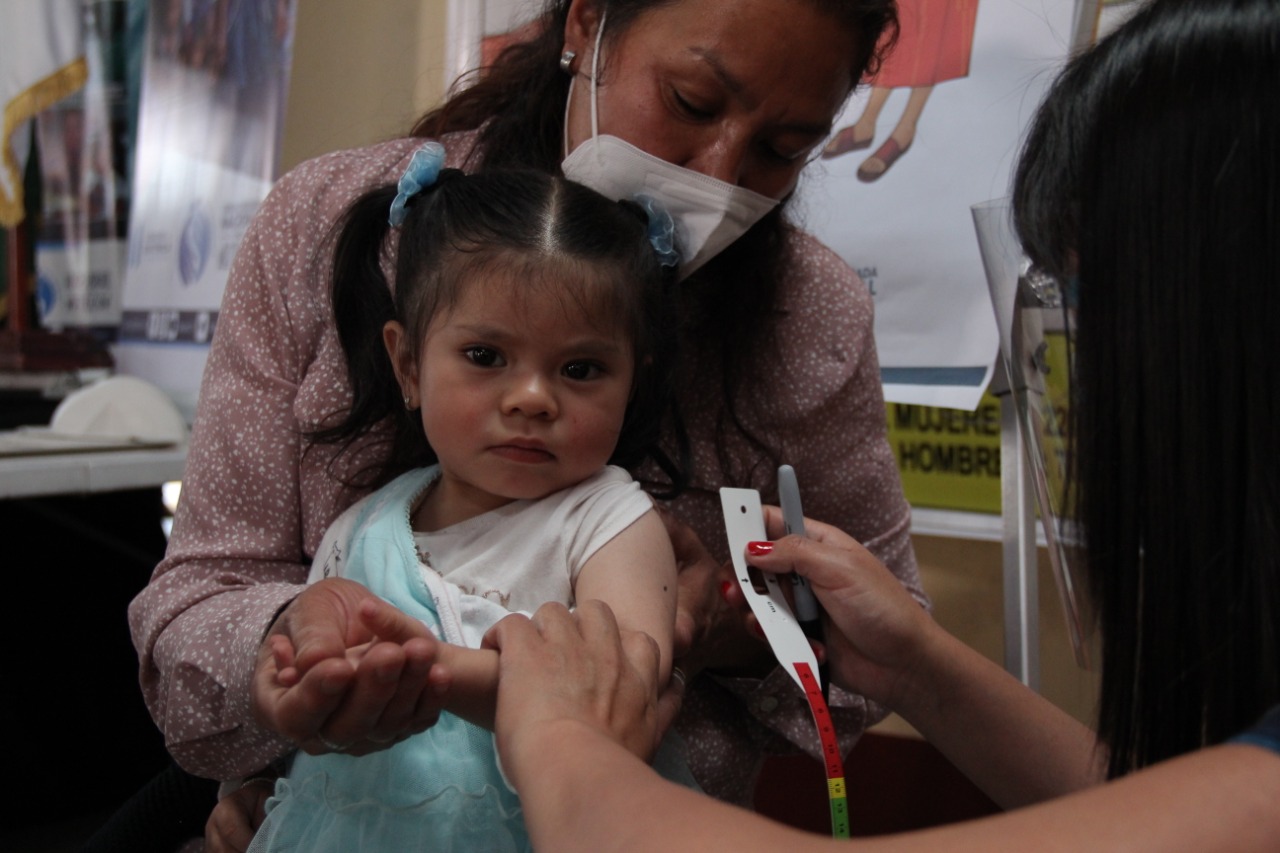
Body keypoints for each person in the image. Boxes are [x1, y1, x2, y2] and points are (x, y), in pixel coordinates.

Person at [484, 0, 1280, 848]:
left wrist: (564, 740)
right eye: (690, 100)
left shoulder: (813, 313)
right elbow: (1168, 805)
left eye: (1086, 303)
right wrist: (911, 663)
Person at [130, 0, 926, 817]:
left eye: (782, 148)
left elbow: (882, 644)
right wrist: (296, 676)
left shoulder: (810, 317)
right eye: (691, 101)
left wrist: (733, 629)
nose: (719, 172)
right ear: (587, 23)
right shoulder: (329, 223)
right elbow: (203, 596)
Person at [240, 149, 695, 851]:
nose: (533, 398)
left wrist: (429, 672)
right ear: (409, 364)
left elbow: (624, 689)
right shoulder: (358, 527)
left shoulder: (609, 520)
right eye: (485, 356)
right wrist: (282, 725)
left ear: (633, 381)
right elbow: (303, 692)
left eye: (581, 369)